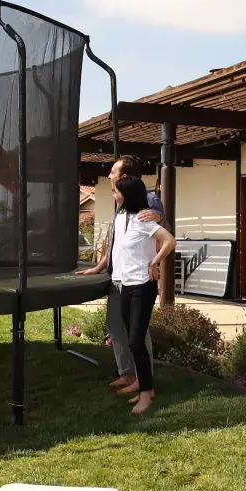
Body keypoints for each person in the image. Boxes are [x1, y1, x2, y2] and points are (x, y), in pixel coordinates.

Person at [77, 173, 172, 416]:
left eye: (116, 191)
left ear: (126, 195)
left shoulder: (143, 220)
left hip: (143, 285)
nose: (113, 194)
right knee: (131, 337)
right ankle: (146, 389)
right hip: (125, 285)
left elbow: (169, 241)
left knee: (135, 340)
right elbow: (115, 249)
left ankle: (145, 394)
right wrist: (100, 267)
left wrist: (155, 263)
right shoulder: (120, 218)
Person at [100, 155, 164, 381]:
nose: (109, 176)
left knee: (137, 331)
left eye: (113, 172)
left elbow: (157, 221)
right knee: (116, 325)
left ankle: (142, 378)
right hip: (117, 276)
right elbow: (116, 241)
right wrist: (100, 266)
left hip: (137, 278)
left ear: (124, 176)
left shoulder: (147, 199)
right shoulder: (120, 202)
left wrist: (155, 262)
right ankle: (127, 373)